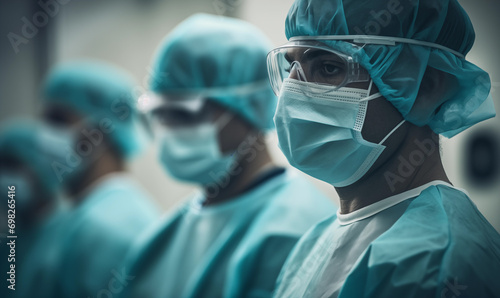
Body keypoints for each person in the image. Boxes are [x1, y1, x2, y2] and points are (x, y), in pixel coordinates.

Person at [267, 0, 500, 297]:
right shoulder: (313, 242)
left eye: (328, 67)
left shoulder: (441, 264)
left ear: (424, 86)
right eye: (291, 67)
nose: (292, 92)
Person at [120, 14, 336, 298]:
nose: (168, 131)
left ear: (252, 108)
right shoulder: (162, 237)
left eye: (183, 114)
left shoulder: (295, 231)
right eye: (160, 116)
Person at [40, 61, 160, 298]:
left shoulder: (114, 225)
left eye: (58, 120)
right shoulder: (85, 215)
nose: (43, 135)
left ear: (99, 130)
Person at [0, 120, 69, 298]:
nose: (4, 177)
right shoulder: (10, 240)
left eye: (13, 165)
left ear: (41, 169)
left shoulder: (69, 234)